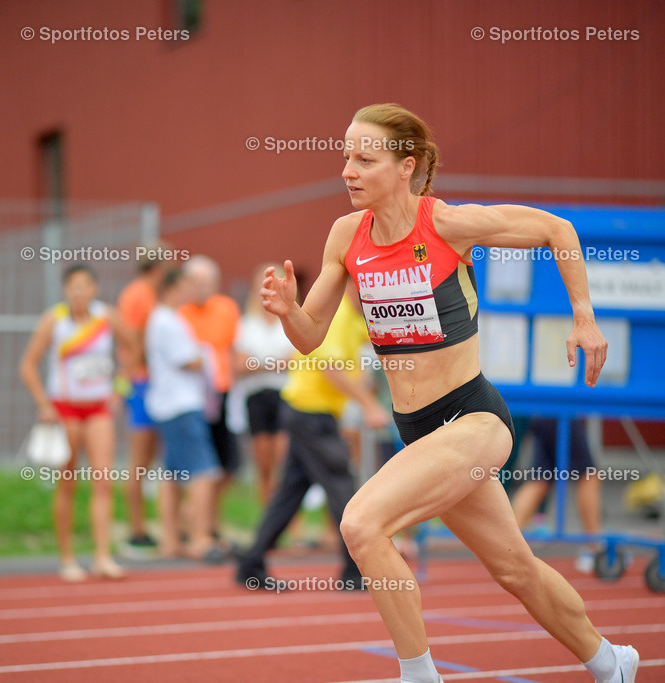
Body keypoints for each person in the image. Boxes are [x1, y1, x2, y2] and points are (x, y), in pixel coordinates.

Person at [259, 104, 637, 683]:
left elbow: (557, 230)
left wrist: (583, 317)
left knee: (361, 525)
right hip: (416, 429)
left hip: (472, 419)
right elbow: (309, 339)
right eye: (345, 157)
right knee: (516, 570)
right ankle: (612, 662)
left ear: (406, 166)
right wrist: (288, 313)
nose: (348, 170)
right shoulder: (346, 235)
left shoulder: (448, 225)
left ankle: (419, 675)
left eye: (365, 158)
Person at [236, 293, 387, 589]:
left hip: (307, 413)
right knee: (342, 486)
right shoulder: (340, 315)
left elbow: (370, 344)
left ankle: (251, 563)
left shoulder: (354, 317)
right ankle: (354, 570)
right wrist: (368, 404)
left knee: (290, 493)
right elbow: (330, 367)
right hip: (311, 415)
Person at [20, 264, 129, 581]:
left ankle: (102, 556)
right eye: (73, 287)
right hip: (64, 408)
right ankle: (67, 558)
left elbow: (133, 348)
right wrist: (43, 402)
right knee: (68, 483)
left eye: (84, 286)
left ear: (94, 289)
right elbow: (27, 365)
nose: (79, 292)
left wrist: (119, 389)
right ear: (64, 290)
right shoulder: (53, 321)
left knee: (103, 481)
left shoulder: (106, 317)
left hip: (98, 408)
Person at [144, 269, 224, 562]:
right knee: (203, 471)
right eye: (186, 286)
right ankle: (200, 538)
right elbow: (188, 361)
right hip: (181, 404)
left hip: (171, 404)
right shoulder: (166, 320)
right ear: (171, 288)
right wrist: (205, 354)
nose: (190, 292)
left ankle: (170, 538)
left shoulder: (167, 319)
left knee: (173, 474)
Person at [178, 256, 241, 545]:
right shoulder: (179, 313)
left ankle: (211, 522)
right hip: (191, 397)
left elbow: (233, 348)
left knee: (226, 464)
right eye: (196, 282)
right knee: (196, 464)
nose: (201, 288)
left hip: (221, 393)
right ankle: (189, 522)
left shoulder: (226, 308)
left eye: (206, 282)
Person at [116, 247, 170, 555]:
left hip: (146, 379)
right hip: (140, 381)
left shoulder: (146, 292)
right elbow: (134, 338)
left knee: (150, 457)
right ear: (158, 265)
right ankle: (136, 528)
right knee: (139, 458)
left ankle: (146, 525)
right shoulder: (139, 294)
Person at [233, 263, 296, 503]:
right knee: (264, 464)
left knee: (286, 459)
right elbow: (239, 366)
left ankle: (294, 526)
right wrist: (276, 363)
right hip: (257, 398)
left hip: (286, 395)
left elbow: (299, 360)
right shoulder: (247, 323)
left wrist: (258, 364)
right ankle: (267, 522)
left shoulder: (291, 319)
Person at [512, 417, 602, 573]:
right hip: (562, 412)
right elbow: (591, 390)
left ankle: (510, 543)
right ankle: (593, 549)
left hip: (543, 412)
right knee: (589, 476)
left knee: (540, 479)